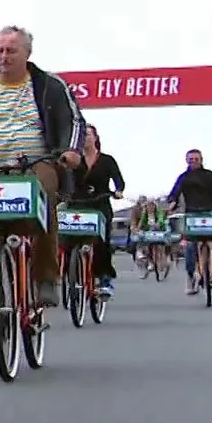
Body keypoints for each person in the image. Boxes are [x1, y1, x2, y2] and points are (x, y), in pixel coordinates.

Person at [0, 25, 85, 351]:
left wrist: (70, 151)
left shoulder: (50, 85)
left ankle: (46, 278)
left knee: (42, 195)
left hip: (36, 162)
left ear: (27, 53)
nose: (4, 57)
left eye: (11, 51)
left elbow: (74, 120)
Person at [67, 124, 126, 300]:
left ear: (95, 138)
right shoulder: (73, 160)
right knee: (68, 237)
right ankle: (71, 273)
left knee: (102, 241)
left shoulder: (107, 160)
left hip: (100, 203)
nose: (85, 138)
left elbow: (119, 181)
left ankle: (105, 278)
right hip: (77, 203)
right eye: (82, 135)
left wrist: (118, 191)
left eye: (88, 134)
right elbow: (64, 177)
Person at [162, 148, 212, 296]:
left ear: (201, 160)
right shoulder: (184, 177)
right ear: (186, 161)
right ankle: (190, 276)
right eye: (191, 159)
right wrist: (172, 203)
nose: (193, 161)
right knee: (189, 245)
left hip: (210, 212)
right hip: (192, 214)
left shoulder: (210, 175)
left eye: (196, 159)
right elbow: (175, 192)